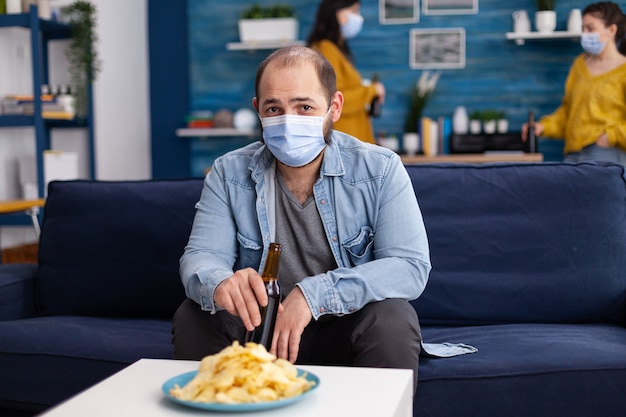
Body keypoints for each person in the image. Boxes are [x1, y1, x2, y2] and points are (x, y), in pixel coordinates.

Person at [172, 46, 431, 391]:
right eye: (274, 108)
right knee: (195, 314)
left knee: (394, 318)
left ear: (334, 107)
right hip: (259, 336)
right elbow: (200, 257)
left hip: (344, 330)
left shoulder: (380, 169)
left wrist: (314, 295)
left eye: (304, 107)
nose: (288, 120)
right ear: (258, 111)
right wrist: (220, 283)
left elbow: (410, 266)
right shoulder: (227, 173)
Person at [522, 2, 626, 164]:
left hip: (607, 153)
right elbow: (569, 111)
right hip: (573, 153)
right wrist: (543, 127)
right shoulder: (579, 65)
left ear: (611, 30)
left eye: (590, 28)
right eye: (583, 29)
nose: (585, 34)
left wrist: (610, 137)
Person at [306, 0, 385, 144]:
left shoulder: (336, 49)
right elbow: (333, 101)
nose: (358, 17)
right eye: (354, 11)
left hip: (350, 144)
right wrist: (372, 90)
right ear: (335, 12)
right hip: (343, 145)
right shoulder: (326, 49)